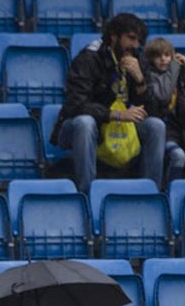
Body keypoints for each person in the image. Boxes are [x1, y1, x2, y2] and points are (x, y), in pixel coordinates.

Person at [49, 12, 167, 193]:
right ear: (113, 36)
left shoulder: (138, 58)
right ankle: (87, 194)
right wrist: (116, 115)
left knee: (156, 126)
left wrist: (140, 81)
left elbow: (153, 110)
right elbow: (76, 105)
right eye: (131, 38)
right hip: (79, 127)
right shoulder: (88, 58)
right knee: (85, 123)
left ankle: (149, 192)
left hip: (121, 127)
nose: (135, 45)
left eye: (139, 40)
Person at [143, 36, 185, 183]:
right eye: (158, 56)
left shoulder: (179, 73)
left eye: (167, 55)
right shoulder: (150, 76)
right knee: (178, 156)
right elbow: (163, 95)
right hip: (167, 132)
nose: (163, 59)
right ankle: (171, 192)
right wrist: (174, 68)